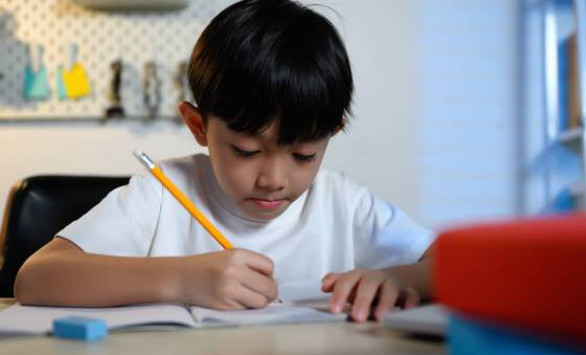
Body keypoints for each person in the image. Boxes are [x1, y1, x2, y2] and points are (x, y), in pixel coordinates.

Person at [15, 0, 434, 323]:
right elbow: (35, 278)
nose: (273, 179)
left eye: (304, 155)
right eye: (247, 151)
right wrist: (181, 279)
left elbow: (457, 268)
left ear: (332, 132)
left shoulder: (344, 204)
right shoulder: (163, 196)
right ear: (198, 126)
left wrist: (399, 280)